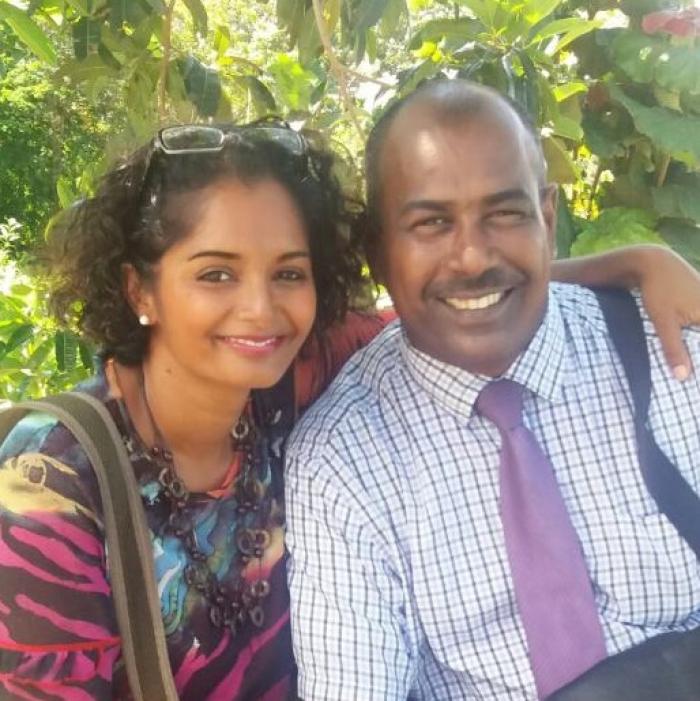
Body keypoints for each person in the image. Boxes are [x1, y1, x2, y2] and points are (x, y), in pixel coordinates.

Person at [0, 120, 697, 701]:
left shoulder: (293, 374)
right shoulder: (51, 481)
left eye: (288, 272)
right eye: (216, 273)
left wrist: (636, 264)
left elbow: (457, 299)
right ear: (139, 289)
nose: (260, 307)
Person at [285, 79, 700, 701]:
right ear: (377, 251)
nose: (473, 257)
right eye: (431, 223)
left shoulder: (671, 345)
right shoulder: (345, 459)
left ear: (548, 220)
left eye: (505, 214)